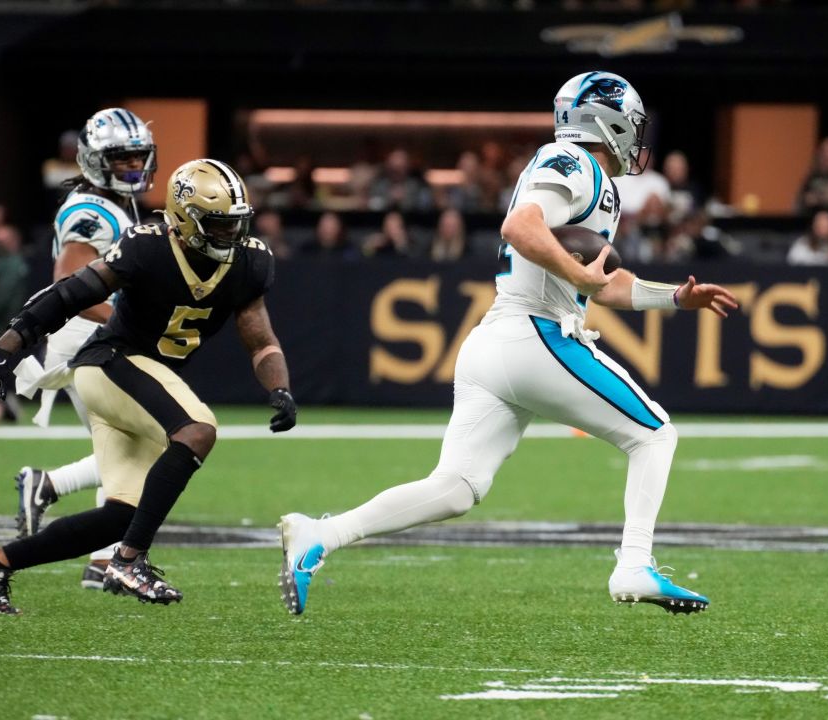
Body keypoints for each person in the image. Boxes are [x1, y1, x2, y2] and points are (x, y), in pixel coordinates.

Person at [277, 71, 737, 617]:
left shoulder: (585, 177)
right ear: (608, 121)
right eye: (631, 127)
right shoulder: (574, 163)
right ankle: (634, 564)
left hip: (496, 341)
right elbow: (520, 227)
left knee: (456, 487)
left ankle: (320, 536)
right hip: (534, 333)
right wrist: (580, 277)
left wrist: (672, 299)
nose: (635, 139)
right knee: (655, 435)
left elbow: (601, 279)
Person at [0, 159, 297, 614]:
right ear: (186, 220)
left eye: (237, 224)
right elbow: (69, 294)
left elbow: (261, 342)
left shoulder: (251, 260)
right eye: (218, 225)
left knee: (121, 514)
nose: (231, 235)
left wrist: (280, 389)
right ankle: (129, 561)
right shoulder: (148, 247)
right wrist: (5, 349)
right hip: (109, 364)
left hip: (136, 379)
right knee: (198, 429)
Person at [8, 107, 156, 592]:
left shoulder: (111, 202)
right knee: (151, 441)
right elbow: (70, 285)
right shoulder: (92, 212)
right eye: (123, 158)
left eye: (139, 157)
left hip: (97, 338)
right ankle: (106, 556)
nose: (134, 168)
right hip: (89, 337)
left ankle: (99, 554)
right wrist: (127, 323)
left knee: (133, 445)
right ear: (96, 160)